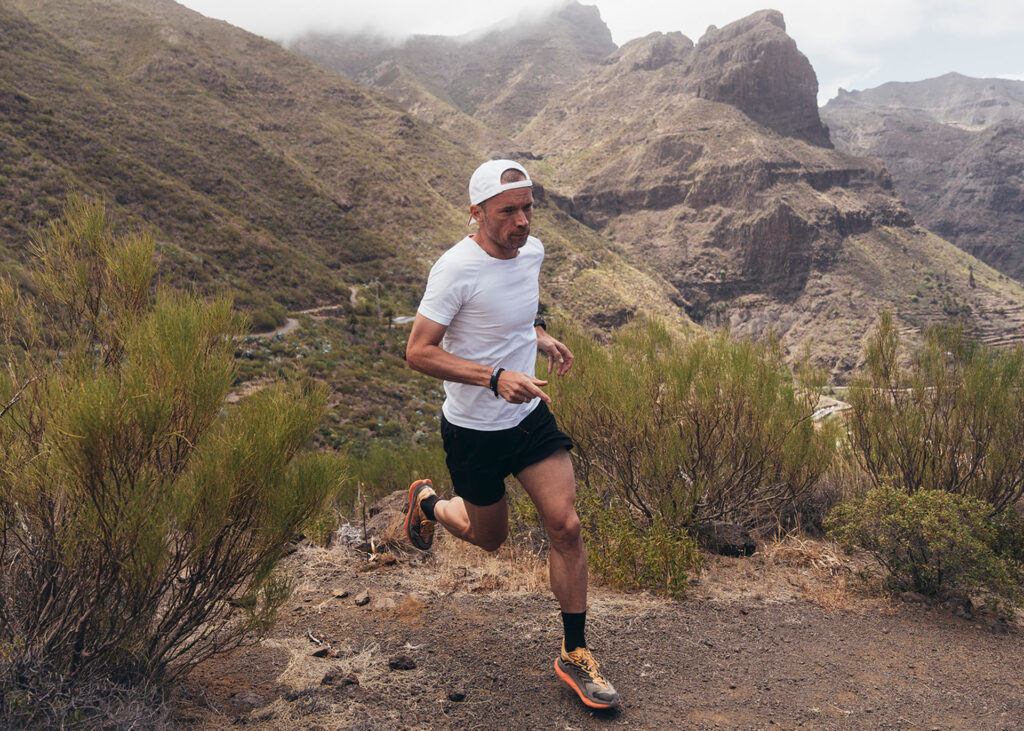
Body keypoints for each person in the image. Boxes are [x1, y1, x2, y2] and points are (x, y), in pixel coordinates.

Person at [404, 159, 619, 710]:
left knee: (566, 526)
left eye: (528, 207)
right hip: (473, 430)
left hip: (529, 418)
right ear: (476, 213)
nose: (523, 220)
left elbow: (523, 304)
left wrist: (540, 334)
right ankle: (428, 504)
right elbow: (418, 351)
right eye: (508, 211)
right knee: (489, 539)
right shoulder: (455, 270)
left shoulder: (535, 251)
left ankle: (575, 654)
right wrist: (494, 377)